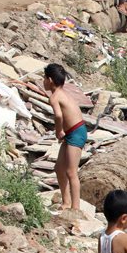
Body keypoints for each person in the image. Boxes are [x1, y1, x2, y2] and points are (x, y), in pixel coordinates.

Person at [44, 64, 86, 212]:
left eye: (44, 78)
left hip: (76, 132)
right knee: (59, 168)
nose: (43, 82)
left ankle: (76, 208)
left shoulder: (55, 97)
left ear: (49, 80)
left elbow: (58, 115)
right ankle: (66, 202)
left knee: (71, 171)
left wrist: (59, 131)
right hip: (73, 132)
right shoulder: (63, 92)